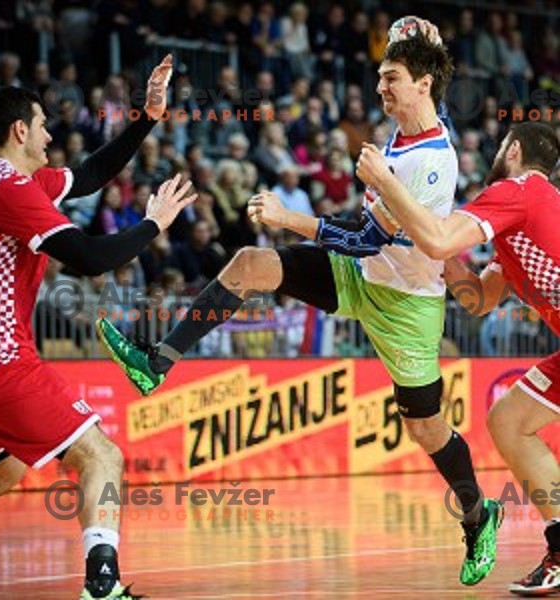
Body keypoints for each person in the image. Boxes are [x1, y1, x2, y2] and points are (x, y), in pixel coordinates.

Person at [98, 26, 503, 586]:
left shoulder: (430, 163)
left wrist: (294, 220)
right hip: (359, 276)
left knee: (426, 429)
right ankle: (156, 361)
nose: (380, 87)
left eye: (392, 78)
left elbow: (366, 237)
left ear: (423, 85)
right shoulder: (407, 131)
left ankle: (479, 517)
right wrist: (417, 36)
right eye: (381, 75)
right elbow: (367, 241)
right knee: (248, 263)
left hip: (407, 303)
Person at [0, 56, 197, 600]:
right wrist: (154, 224)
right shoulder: (6, 187)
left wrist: (147, 118)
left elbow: (91, 174)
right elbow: (89, 257)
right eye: (43, 126)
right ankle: (102, 584)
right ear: (21, 130)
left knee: (5, 473)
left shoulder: (9, 180)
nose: (50, 135)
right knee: (103, 456)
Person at [356, 121, 560, 597]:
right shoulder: (519, 226)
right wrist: (432, 259)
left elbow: (442, 238)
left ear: (514, 151)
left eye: (501, 144)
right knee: (509, 421)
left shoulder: (519, 190)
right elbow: (478, 299)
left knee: (510, 422)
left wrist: (387, 185)